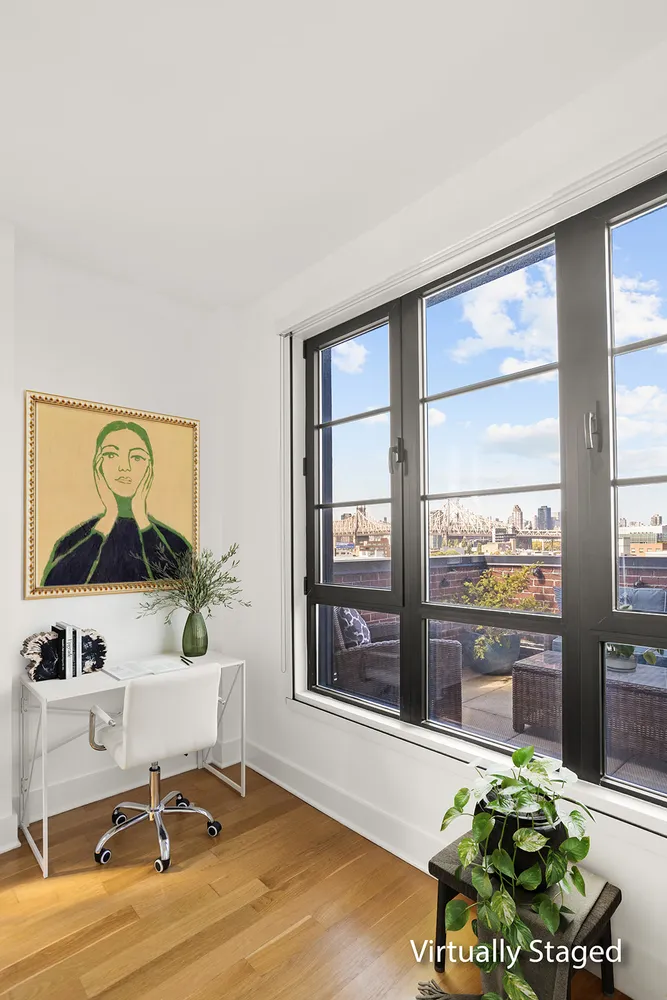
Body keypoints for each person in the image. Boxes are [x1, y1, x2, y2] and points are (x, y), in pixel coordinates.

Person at [41, 420, 191, 586]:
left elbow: (176, 586)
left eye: (136, 457)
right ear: (97, 465)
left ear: (150, 467)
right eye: (111, 455)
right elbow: (54, 585)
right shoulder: (73, 541)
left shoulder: (175, 543)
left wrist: (141, 517)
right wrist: (109, 516)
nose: (124, 467)